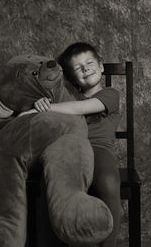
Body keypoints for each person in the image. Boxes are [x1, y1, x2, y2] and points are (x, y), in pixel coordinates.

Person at [33, 42, 121, 247]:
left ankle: (109, 244)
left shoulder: (110, 94)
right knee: (49, 181)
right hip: (69, 149)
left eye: (89, 62)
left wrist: (49, 108)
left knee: (108, 179)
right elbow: (56, 109)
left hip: (99, 149)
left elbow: (80, 108)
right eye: (78, 67)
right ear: (73, 77)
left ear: (101, 66)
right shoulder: (67, 97)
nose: (86, 68)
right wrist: (40, 105)